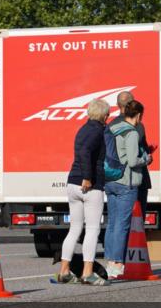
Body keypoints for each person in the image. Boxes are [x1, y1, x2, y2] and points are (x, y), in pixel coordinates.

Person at [56, 98, 109, 286]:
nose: (108, 117)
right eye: (108, 114)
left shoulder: (83, 129)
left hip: (72, 183)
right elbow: (86, 151)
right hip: (89, 185)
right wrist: (88, 177)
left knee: (75, 229)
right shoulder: (97, 131)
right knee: (93, 229)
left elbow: (81, 151)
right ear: (103, 115)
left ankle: (64, 271)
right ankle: (88, 273)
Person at [103, 100, 152, 279]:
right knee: (123, 225)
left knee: (112, 223)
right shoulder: (131, 133)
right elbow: (132, 161)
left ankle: (109, 262)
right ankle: (117, 263)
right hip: (126, 182)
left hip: (110, 180)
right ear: (138, 115)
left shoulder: (113, 128)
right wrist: (146, 159)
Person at [111, 90, 154, 211]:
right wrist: (147, 157)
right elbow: (139, 153)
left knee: (117, 219)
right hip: (133, 178)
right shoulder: (137, 126)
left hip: (113, 178)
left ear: (117, 104)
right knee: (136, 220)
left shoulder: (111, 125)